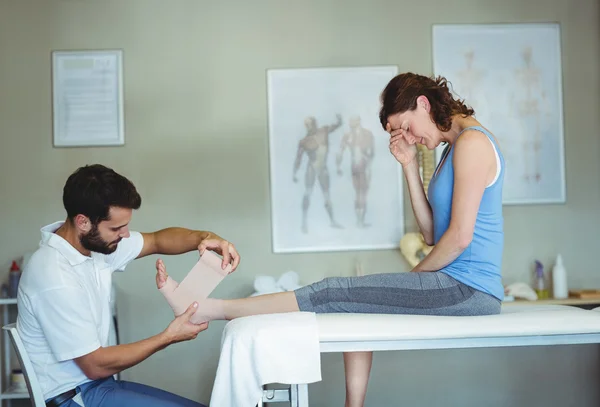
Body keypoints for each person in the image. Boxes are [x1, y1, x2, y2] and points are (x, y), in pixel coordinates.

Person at [157, 72, 505, 407]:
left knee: (333, 291)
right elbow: (432, 234)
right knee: (358, 300)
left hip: (467, 288)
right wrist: (409, 166)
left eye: (406, 127)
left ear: (424, 105)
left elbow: (459, 238)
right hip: (455, 283)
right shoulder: (451, 150)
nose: (408, 137)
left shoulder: (472, 143)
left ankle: (205, 308)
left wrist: (413, 280)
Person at [16, 164, 240, 407]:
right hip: (75, 397)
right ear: (83, 222)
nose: (125, 235)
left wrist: (205, 238)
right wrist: (168, 336)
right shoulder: (55, 275)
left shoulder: (93, 246)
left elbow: (157, 240)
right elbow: (94, 364)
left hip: (99, 385)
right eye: (116, 228)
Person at [293, 114, 344, 233]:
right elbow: (298, 158)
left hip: (323, 169)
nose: (309, 126)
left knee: (327, 195)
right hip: (312, 169)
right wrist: (294, 173)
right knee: (308, 193)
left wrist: (339, 120)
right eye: (307, 124)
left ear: (315, 123)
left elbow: (336, 126)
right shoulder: (304, 141)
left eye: (310, 123)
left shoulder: (324, 131)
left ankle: (332, 221)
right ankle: (304, 223)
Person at [335, 115, 375, 228]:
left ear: (358, 121)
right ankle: (359, 221)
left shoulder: (367, 134)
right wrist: (338, 166)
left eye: (353, 121)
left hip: (364, 166)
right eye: (350, 121)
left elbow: (372, 152)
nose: (351, 123)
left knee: (363, 193)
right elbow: (340, 152)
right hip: (356, 167)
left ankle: (360, 220)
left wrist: (368, 162)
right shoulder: (348, 136)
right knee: (359, 193)